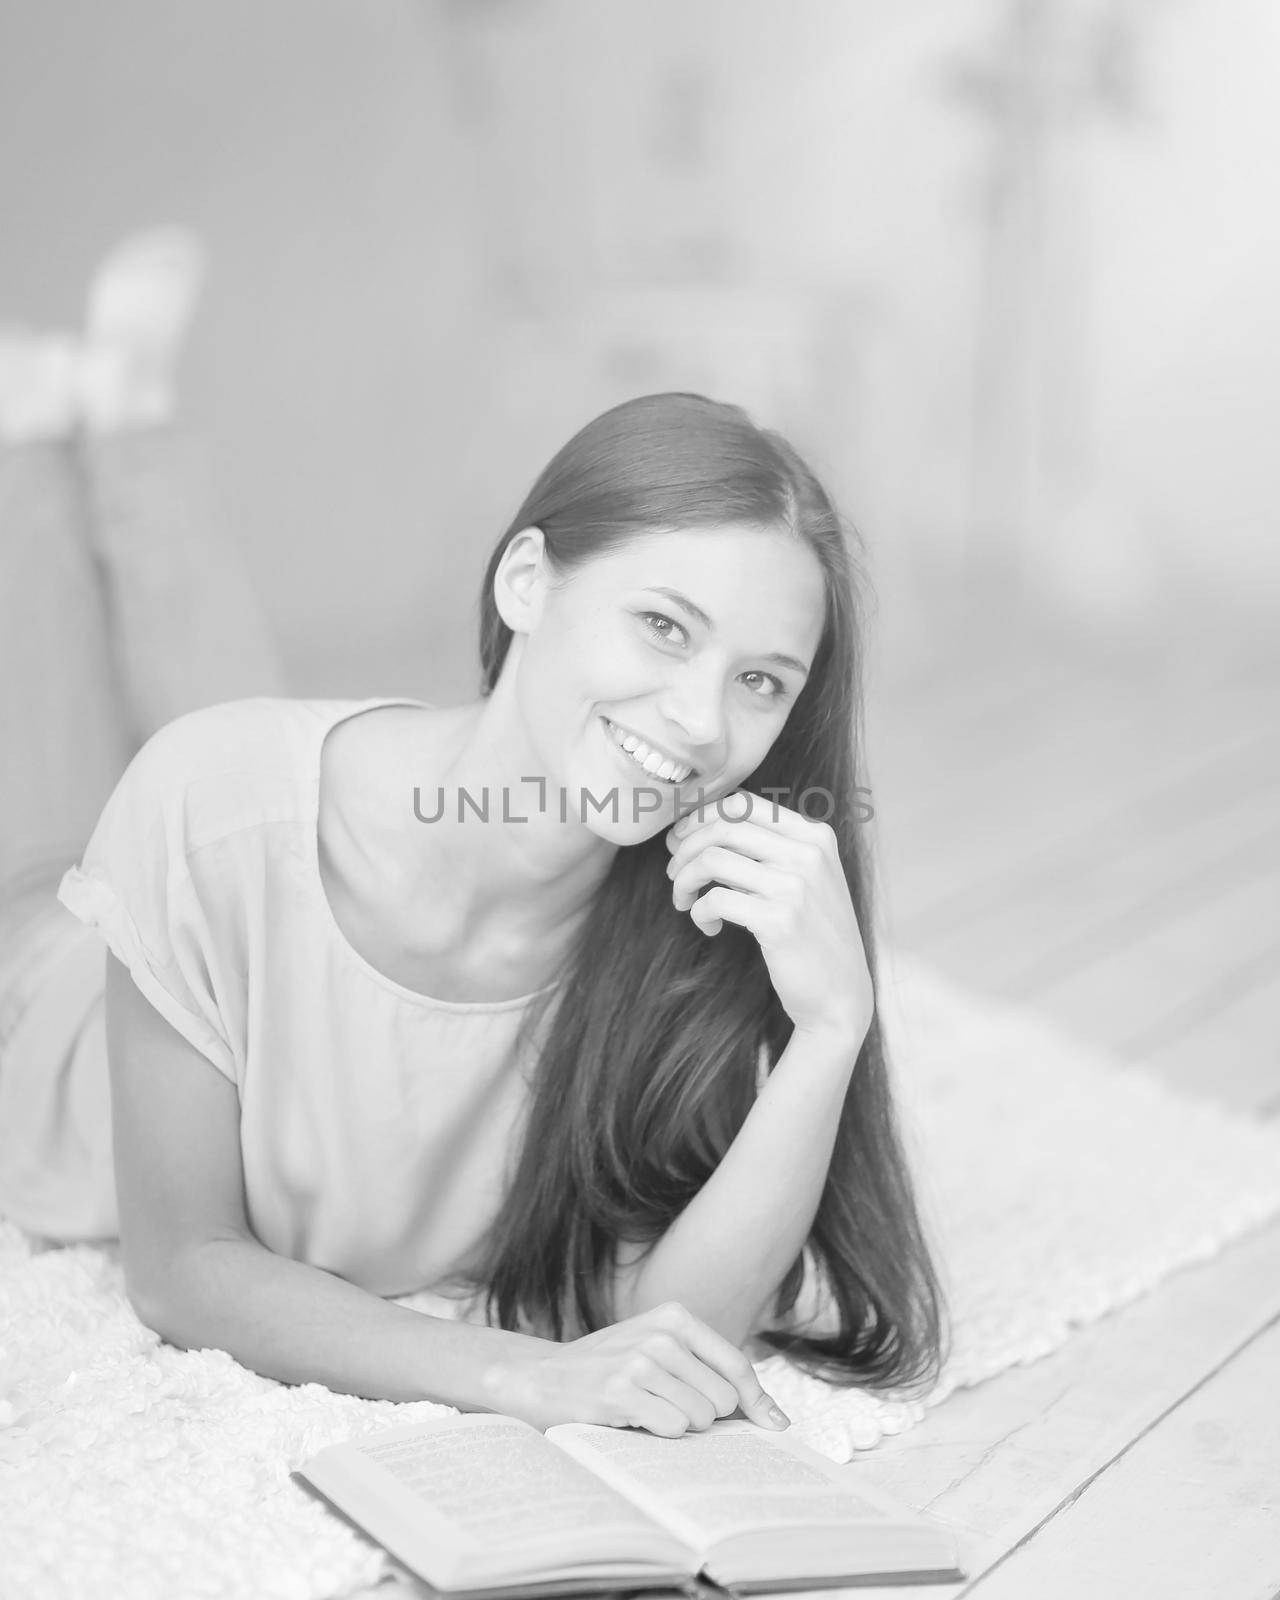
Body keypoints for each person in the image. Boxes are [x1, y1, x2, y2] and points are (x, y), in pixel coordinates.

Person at [0, 240, 948, 1441]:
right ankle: (64, 434)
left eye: (761, 680)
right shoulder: (214, 809)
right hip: (39, 998)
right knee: (94, 741)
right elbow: (183, 1260)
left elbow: (673, 1334)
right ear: (525, 584)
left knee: (209, 730)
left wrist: (829, 1030)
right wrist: (513, 1373)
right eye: (662, 625)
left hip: (238, 824)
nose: (703, 721)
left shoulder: (691, 918)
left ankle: (120, 424)